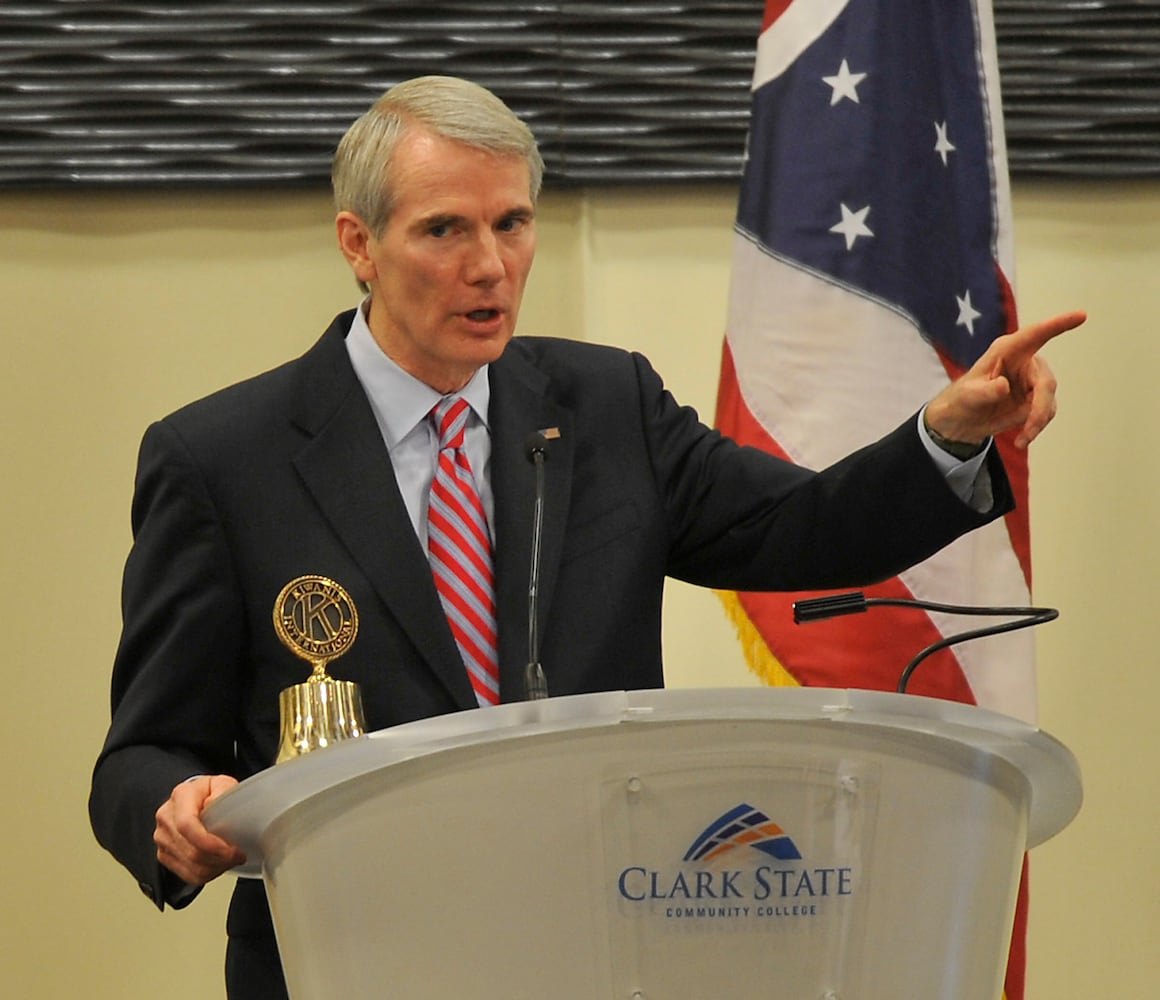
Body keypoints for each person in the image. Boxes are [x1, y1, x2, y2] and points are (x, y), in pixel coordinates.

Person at [89, 75, 1085, 999]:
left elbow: (801, 530)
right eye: (444, 229)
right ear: (358, 243)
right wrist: (176, 805)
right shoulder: (223, 458)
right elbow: (142, 752)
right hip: (348, 960)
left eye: (512, 223)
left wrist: (946, 433)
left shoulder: (606, 406)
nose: (489, 266)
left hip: (596, 950)